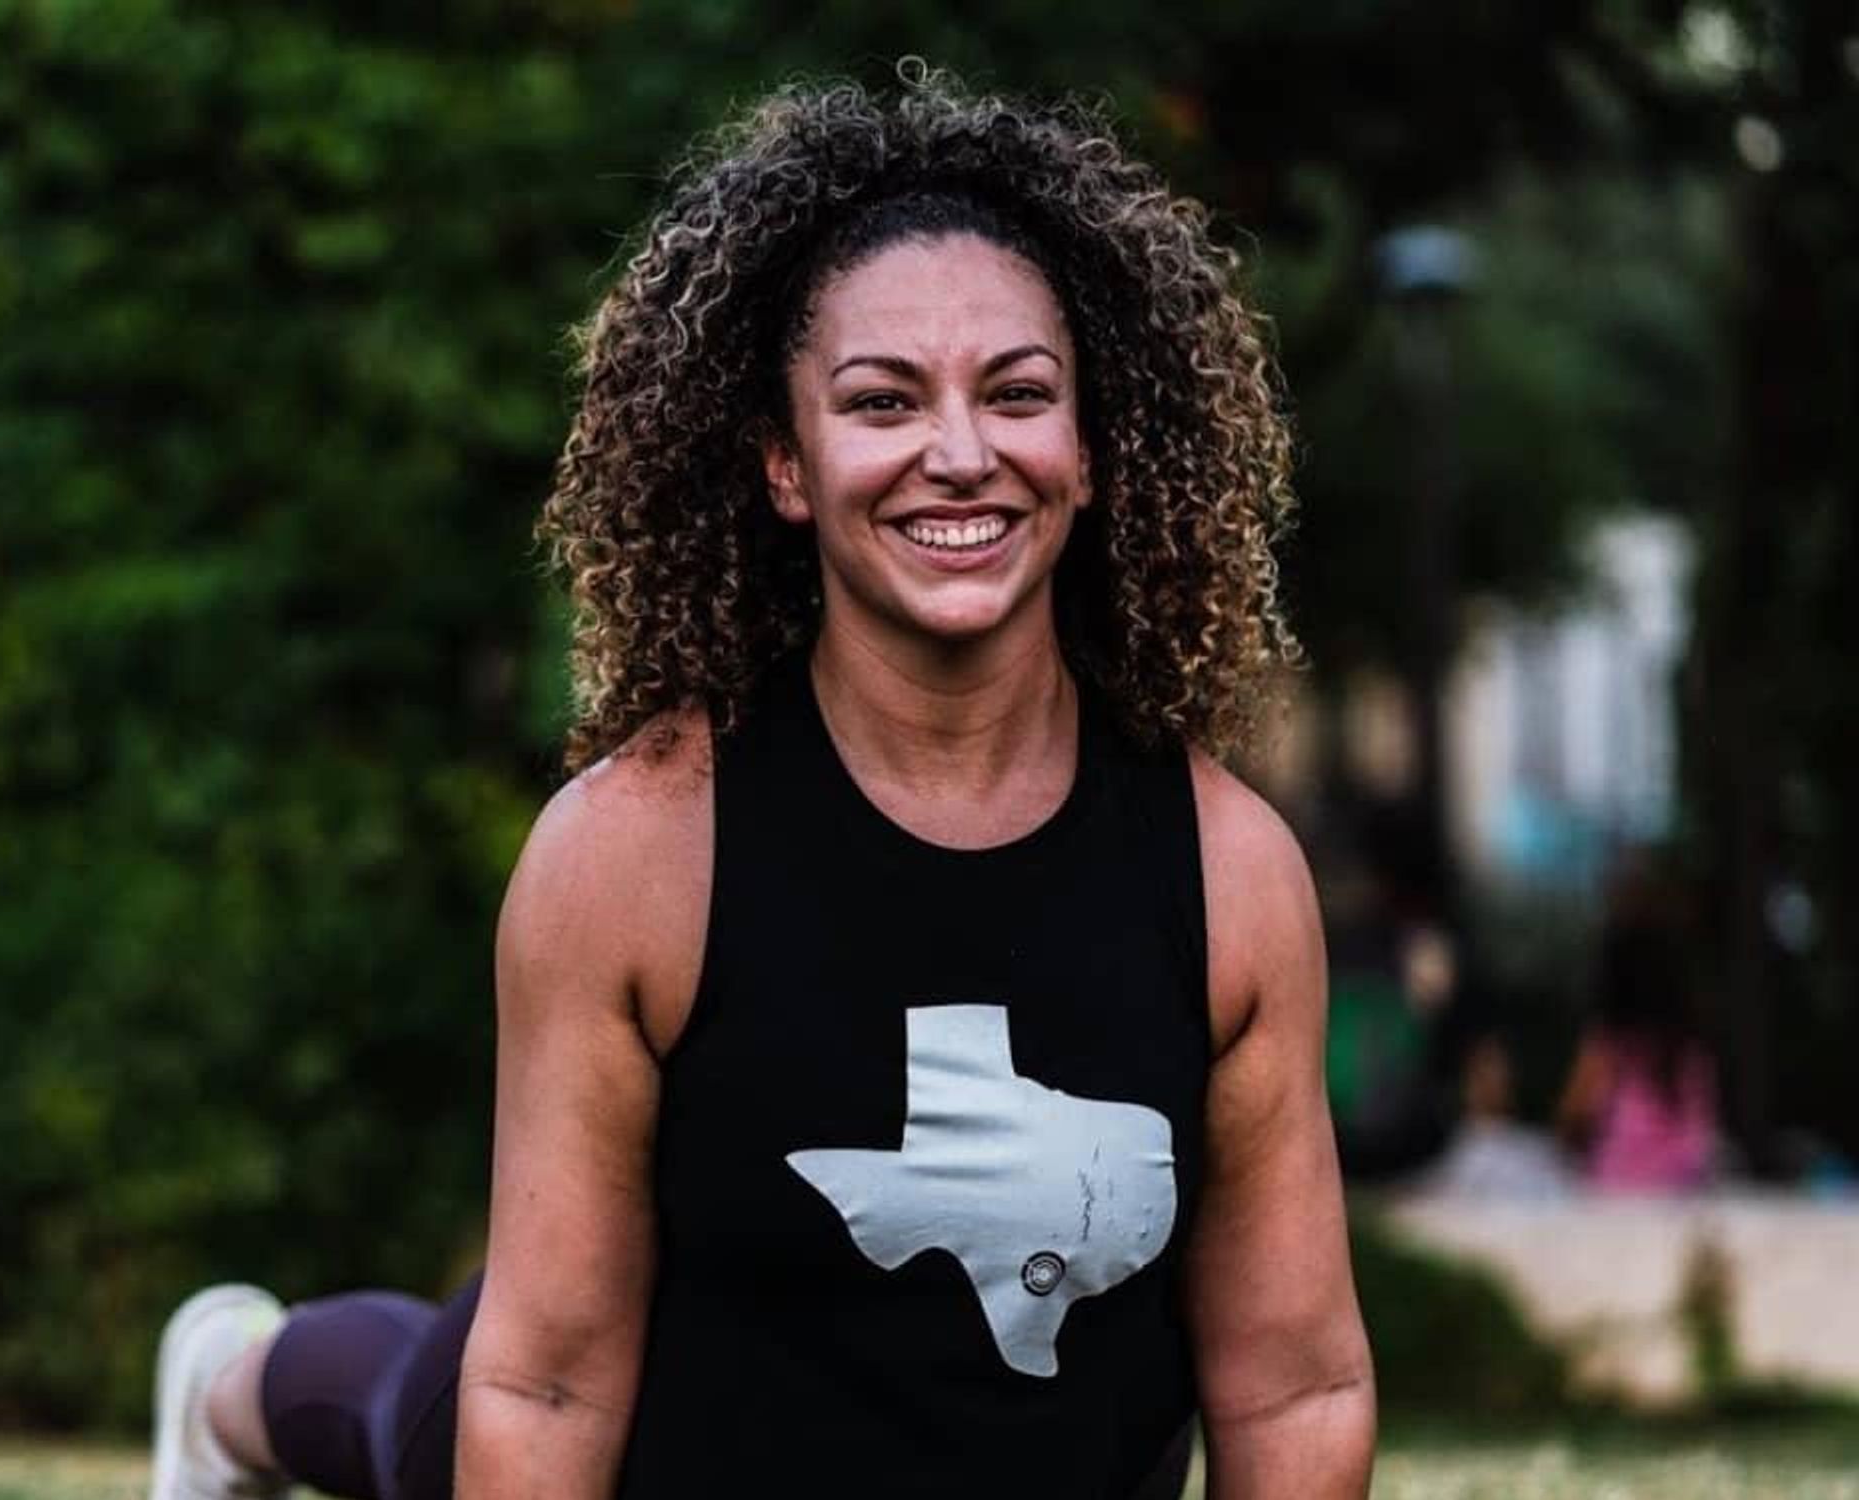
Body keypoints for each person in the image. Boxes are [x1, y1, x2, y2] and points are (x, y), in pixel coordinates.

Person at [147, 66, 1374, 1500]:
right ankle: (227, 1389)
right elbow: (543, 1387)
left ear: (1092, 450)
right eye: (882, 400)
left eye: (1020, 394)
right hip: (625, 1430)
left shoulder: (1229, 871)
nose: (962, 453)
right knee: (409, 1394)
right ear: (787, 465)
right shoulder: (633, 853)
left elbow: (1300, 1386)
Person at [1556, 852, 1719, 1192]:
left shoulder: (1610, 1046)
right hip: (1682, 1195)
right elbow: (1701, 1138)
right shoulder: (1690, 1052)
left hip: (1619, 1194)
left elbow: (1574, 1113)